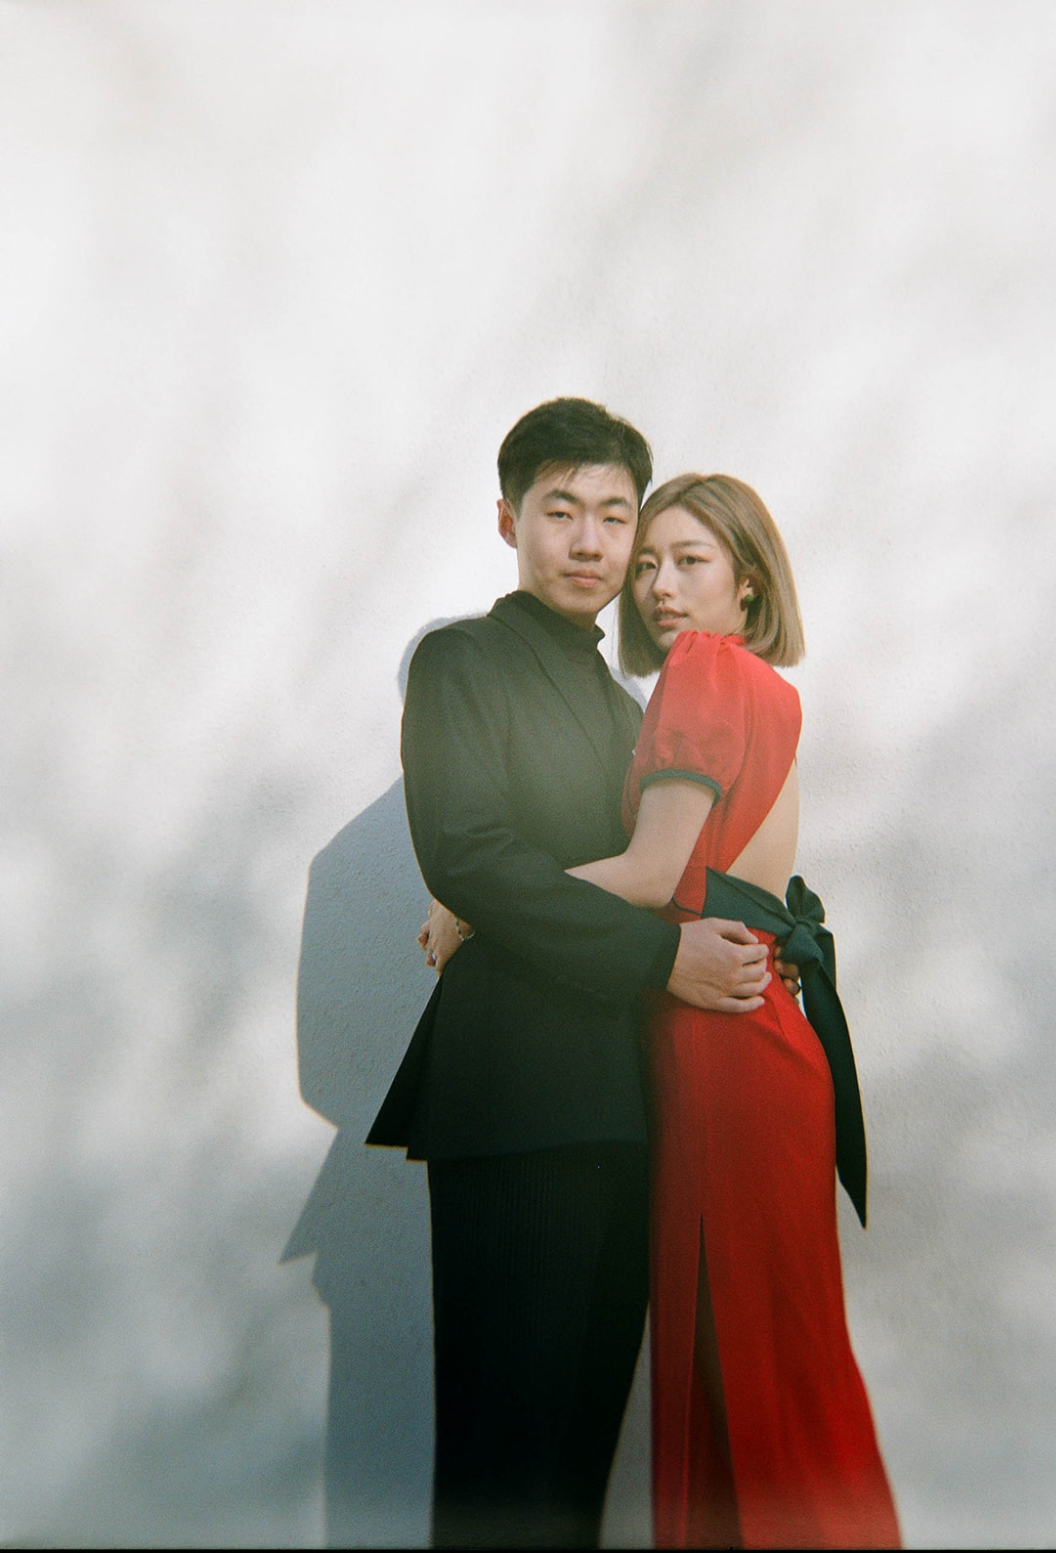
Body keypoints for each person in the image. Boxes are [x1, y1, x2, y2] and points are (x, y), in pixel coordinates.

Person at [433, 472, 901, 1549]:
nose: (657, 587)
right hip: (768, 1035)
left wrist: (475, 904)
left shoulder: (700, 671)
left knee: (740, 1379)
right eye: (647, 564)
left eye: (689, 561)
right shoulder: (765, 686)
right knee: (786, 1373)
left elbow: (652, 874)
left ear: (749, 580)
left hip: (719, 1048)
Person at [365, 400, 790, 1549]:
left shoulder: (630, 708)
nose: (592, 541)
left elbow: (663, 871)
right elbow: (469, 852)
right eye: (561, 511)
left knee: (576, 1470)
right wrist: (660, 955)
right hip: (514, 1095)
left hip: (634, 1103)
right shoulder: (461, 660)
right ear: (510, 520)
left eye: (614, 514)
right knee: (505, 1469)